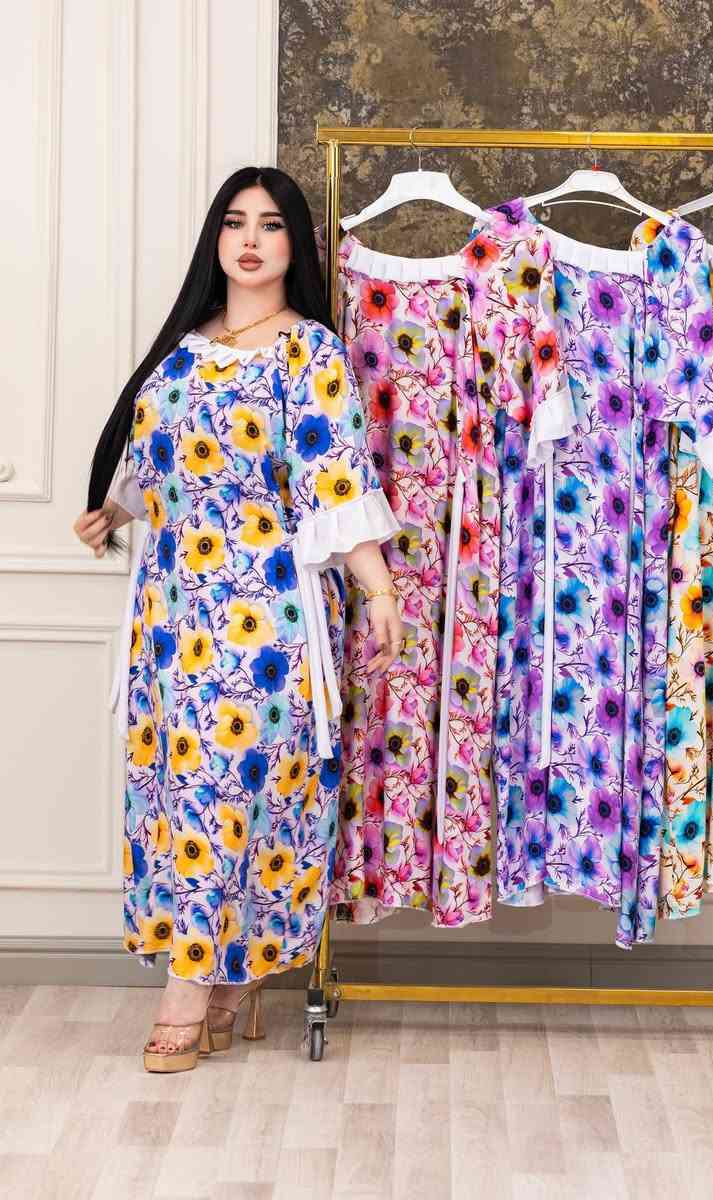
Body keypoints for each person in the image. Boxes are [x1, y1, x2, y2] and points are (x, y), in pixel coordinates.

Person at [74, 166, 402, 1072]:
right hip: (171, 615)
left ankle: (188, 991)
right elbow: (162, 464)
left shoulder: (309, 353)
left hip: (264, 615)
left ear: (297, 245)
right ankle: (229, 980)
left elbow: (336, 481)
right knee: (176, 793)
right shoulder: (182, 350)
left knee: (227, 792)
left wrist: (378, 590)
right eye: (234, 222)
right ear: (215, 239)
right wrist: (116, 511)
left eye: (270, 224)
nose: (250, 240)